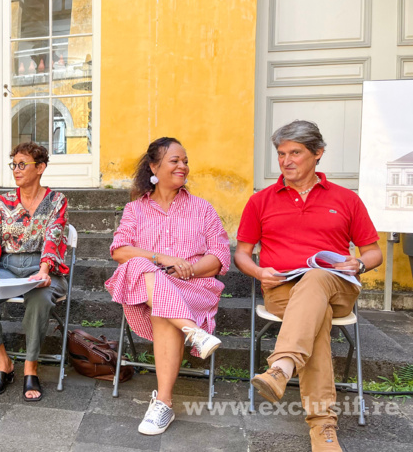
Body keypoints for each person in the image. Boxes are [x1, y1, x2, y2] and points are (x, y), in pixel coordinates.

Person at [234, 120, 382, 452]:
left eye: (295, 153)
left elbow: (373, 252)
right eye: (281, 153)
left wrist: (357, 263)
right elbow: (242, 254)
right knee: (317, 320)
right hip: (282, 290)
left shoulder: (346, 200)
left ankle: (281, 366)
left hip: (336, 285)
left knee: (316, 278)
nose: (286, 160)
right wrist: (259, 273)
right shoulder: (261, 201)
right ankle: (323, 428)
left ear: (318, 154)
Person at [105, 137, 230, 435]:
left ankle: (163, 403)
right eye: (175, 161)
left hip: (193, 287)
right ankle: (192, 334)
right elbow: (119, 250)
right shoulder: (136, 210)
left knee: (162, 307)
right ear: (154, 166)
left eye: (185, 161)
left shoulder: (202, 209)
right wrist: (160, 257)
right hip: (149, 288)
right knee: (139, 266)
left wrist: (187, 268)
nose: (183, 166)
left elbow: (220, 258)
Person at [0, 142, 69, 402]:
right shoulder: (1, 202)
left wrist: (44, 271)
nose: (16, 169)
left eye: (23, 164)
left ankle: (30, 367)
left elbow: (53, 237)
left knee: (40, 296)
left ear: (41, 167)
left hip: (42, 266)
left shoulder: (56, 200)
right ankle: (4, 363)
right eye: (14, 164)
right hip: (7, 267)